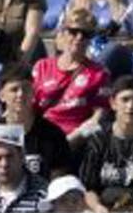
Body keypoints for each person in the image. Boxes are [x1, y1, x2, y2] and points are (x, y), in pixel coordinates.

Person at [76, 75, 133, 212]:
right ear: (113, 103)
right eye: (125, 100)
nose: (131, 106)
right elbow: (88, 188)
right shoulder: (99, 140)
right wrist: (98, 207)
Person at [32, 9, 112, 138]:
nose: (79, 37)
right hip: (41, 136)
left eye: (86, 34)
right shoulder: (42, 66)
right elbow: (30, 107)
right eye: (74, 32)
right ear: (63, 33)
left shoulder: (99, 73)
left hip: (75, 139)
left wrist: (70, 141)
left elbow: (99, 117)